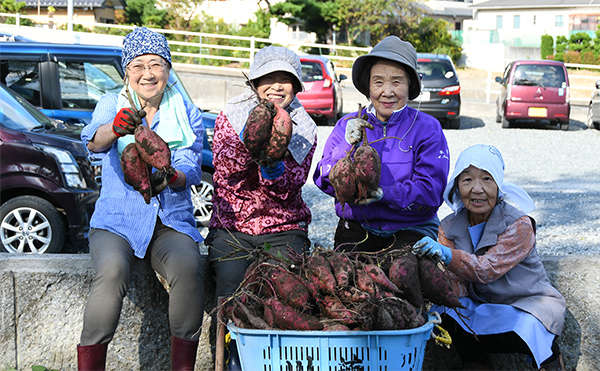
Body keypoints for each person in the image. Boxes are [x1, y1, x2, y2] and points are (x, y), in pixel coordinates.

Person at [78, 27, 206, 370]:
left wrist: (173, 176)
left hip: (169, 222)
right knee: (112, 270)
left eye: (156, 64)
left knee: (188, 267)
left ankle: (182, 366)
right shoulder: (111, 103)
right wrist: (116, 129)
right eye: (138, 66)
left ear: (168, 69)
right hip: (117, 222)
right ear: (126, 72)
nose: (148, 74)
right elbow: (92, 143)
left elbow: (191, 164)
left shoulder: (186, 110)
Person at [206, 46, 317, 366]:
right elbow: (225, 174)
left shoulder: (303, 127)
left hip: (284, 227)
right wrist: (251, 144)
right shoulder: (232, 114)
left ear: (296, 87)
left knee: (286, 295)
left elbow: (292, 184)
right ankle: (228, 360)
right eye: (268, 79)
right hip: (232, 225)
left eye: (286, 80)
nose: (277, 86)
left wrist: (274, 168)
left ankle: (274, 361)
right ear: (254, 83)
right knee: (230, 286)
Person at [414, 144, 567, 370]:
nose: (477, 189)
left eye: (487, 179)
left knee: (530, 326)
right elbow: (458, 288)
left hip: (526, 306)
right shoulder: (448, 227)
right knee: (446, 315)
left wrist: (447, 255)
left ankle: (550, 360)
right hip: (484, 307)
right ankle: (476, 364)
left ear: (498, 184)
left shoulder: (519, 225)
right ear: (457, 186)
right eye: (467, 180)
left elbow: (486, 269)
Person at [313, 35, 450, 251]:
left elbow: (432, 191)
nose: (387, 92)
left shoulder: (428, 128)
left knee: (405, 276)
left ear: (410, 84)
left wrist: (386, 194)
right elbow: (323, 179)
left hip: (412, 228)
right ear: (368, 86)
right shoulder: (345, 125)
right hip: (357, 225)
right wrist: (346, 147)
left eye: (397, 81)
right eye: (378, 82)